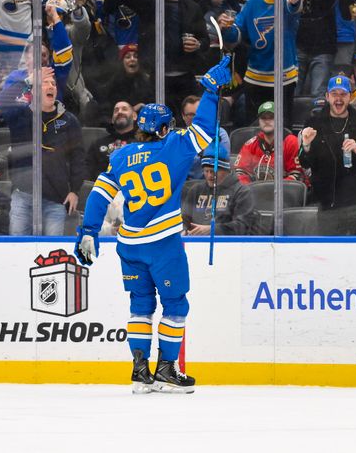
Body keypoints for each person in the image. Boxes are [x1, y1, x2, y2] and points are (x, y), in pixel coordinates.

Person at [74, 56, 233, 394]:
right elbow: (204, 130)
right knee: (175, 304)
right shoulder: (174, 147)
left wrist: (88, 230)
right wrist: (210, 90)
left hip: (129, 245)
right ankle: (166, 370)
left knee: (140, 305)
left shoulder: (120, 156)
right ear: (163, 129)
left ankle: (139, 372)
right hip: (162, 243)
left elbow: (100, 195)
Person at [0, 66, 85, 236]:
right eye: (44, 83)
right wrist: (29, 80)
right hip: (23, 196)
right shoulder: (21, 115)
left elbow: (78, 158)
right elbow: (3, 101)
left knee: (50, 254)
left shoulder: (69, 121)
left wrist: (75, 190)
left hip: (55, 199)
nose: (51, 86)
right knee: (17, 249)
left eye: (53, 83)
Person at [221, 0, 303, 125]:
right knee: (254, 127)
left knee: (282, 126)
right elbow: (236, 34)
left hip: (284, 77)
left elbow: (295, 7)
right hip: (255, 76)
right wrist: (225, 28)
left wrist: (296, 1)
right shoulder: (253, 3)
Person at [299, 75, 356, 235]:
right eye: (334, 94)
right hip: (328, 206)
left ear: (350, 97)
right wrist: (306, 146)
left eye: (343, 94)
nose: (339, 99)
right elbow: (306, 164)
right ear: (327, 97)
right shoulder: (313, 123)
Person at [284, 0, 339, 99]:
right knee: (291, 90)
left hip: (323, 45)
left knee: (318, 93)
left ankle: (317, 123)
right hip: (297, 44)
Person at [182, 146, 257, 236]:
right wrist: (183, 229)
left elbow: (243, 226)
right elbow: (184, 218)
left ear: (226, 170)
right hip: (195, 244)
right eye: (206, 171)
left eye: (214, 171)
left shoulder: (241, 192)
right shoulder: (195, 190)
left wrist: (213, 230)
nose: (209, 176)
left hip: (228, 246)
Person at [234, 101, 305, 185]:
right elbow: (240, 172)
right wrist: (250, 190)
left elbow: (298, 176)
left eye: (271, 117)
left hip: (284, 195)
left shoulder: (291, 142)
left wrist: (271, 190)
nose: (267, 121)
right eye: (263, 118)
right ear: (259, 121)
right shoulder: (250, 144)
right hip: (255, 195)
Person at [181, 95, 230, 181]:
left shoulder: (220, 134)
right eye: (191, 115)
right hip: (186, 186)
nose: (196, 118)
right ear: (183, 116)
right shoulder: (179, 139)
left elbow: (220, 163)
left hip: (213, 183)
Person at [85, 101, 139, 180]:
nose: (119, 112)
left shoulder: (144, 143)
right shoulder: (98, 144)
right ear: (113, 120)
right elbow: (87, 173)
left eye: (124, 109)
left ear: (134, 116)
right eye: (116, 110)